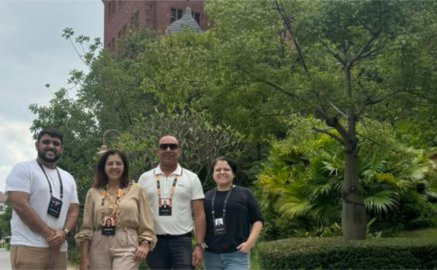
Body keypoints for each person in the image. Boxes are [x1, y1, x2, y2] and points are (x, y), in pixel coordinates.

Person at [5, 128, 80, 270]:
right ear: (37, 145)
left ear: (61, 149)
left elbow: (74, 209)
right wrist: (48, 234)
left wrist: (64, 233)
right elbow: (20, 205)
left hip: (59, 249)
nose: (51, 146)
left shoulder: (68, 177)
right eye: (46, 142)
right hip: (29, 246)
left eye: (56, 143)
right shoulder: (23, 169)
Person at [75, 149, 156, 270]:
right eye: (110, 163)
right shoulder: (93, 192)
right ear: (104, 167)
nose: (114, 167)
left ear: (124, 167)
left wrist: (145, 244)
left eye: (118, 163)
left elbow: (146, 220)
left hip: (127, 242)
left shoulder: (136, 189)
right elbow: (87, 227)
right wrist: (84, 257)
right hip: (99, 243)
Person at [138, 135, 206, 270]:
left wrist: (199, 245)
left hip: (182, 241)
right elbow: (138, 212)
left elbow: (199, 215)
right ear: (157, 152)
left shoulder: (191, 178)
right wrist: (142, 241)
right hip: (154, 241)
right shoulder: (144, 178)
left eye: (173, 146)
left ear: (179, 151)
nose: (168, 150)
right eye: (163, 147)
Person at [203, 157, 264, 270]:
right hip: (211, 255)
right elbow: (199, 222)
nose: (222, 172)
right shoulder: (206, 197)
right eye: (218, 170)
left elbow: (258, 220)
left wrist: (249, 243)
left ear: (233, 173)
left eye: (226, 169)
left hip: (237, 254)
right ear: (212, 174)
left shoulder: (245, 194)